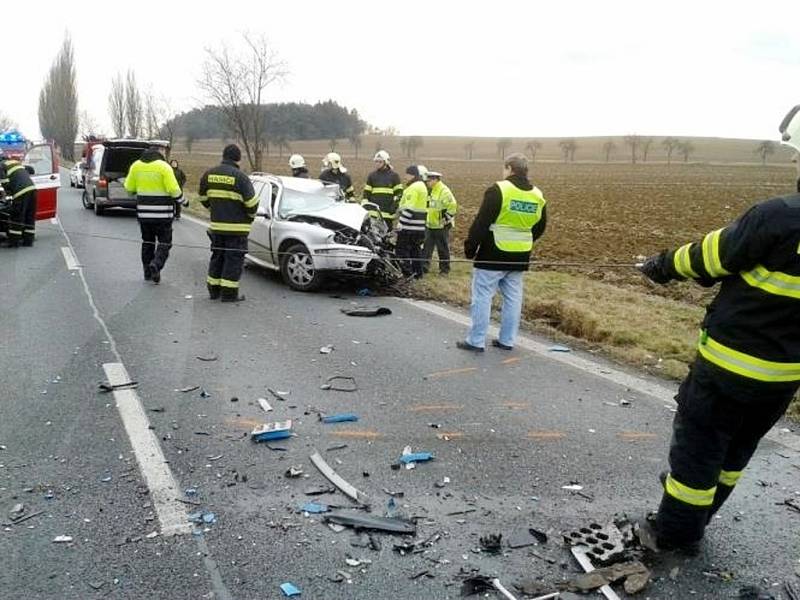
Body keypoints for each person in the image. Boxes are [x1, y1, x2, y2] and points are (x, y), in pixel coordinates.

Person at [637, 180, 800, 553]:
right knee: (735, 452)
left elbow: (710, 257)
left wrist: (660, 265)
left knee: (698, 451)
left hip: (729, 366)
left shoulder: (779, 215)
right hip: (785, 376)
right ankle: (700, 515)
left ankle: (675, 536)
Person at [457, 153, 547, 352]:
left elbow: (482, 222)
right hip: (520, 255)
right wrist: (524, 239)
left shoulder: (499, 189)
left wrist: (470, 247)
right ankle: (507, 340)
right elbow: (541, 226)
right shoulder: (537, 195)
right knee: (513, 299)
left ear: (509, 168)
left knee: (482, 296)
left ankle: (476, 340)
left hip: (492, 252)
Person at [198, 144, 257, 302]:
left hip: (217, 227)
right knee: (233, 260)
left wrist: (214, 208)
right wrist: (250, 217)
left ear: (223, 156)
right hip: (237, 230)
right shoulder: (241, 177)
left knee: (217, 257)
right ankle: (229, 295)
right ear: (238, 158)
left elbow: (203, 198)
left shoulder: (209, 175)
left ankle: (213, 291)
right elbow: (252, 204)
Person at [124, 147, 184, 283]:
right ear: (159, 154)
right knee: (165, 242)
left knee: (147, 242)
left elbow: (129, 188)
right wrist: (183, 201)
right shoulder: (164, 167)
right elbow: (173, 189)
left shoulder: (136, 166)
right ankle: (156, 265)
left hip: (144, 214)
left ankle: (147, 272)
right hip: (163, 215)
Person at [395, 165, 429, 278]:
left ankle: (407, 274)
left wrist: (401, 223)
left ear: (412, 175)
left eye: (407, 174)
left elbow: (409, 208)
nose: (405, 177)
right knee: (416, 251)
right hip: (419, 227)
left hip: (409, 227)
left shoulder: (413, 188)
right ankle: (418, 274)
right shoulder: (422, 186)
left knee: (401, 250)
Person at [422, 170, 458, 275]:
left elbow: (452, 206)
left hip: (442, 225)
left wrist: (445, 219)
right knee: (427, 248)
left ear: (435, 180)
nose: (427, 183)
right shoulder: (431, 190)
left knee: (442, 248)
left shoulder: (444, 191)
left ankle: (444, 270)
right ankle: (424, 268)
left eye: (428, 181)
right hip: (430, 224)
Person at [0, 151, 37, 247]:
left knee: (16, 216)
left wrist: (8, 195)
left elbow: (4, 182)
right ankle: (28, 241)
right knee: (29, 216)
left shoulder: (1, 166)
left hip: (21, 192)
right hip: (33, 189)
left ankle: (14, 242)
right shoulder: (14, 162)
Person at [363, 150, 403, 229]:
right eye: (376, 162)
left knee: (386, 237)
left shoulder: (394, 176)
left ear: (386, 162)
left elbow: (399, 193)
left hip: (387, 214)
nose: (377, 164)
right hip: (373, 214)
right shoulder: (372, 176)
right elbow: (366, 193)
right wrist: (365, 205)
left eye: (380, 162)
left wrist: (394, 206)